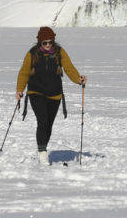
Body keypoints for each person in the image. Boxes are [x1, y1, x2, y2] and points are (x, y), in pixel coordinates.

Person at [16, 26, 86, 164]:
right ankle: (42, 153)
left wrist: (78, 79)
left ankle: (43, 147)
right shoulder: (32, 53)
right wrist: (20, 89)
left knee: (48, 125)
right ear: (39, 42)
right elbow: (24, 72)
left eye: (50, 42)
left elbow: (69, 68)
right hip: (36, 92)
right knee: (42, 121)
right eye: (45, 43)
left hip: (55, 94)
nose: (48, 45)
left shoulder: (60, 52)